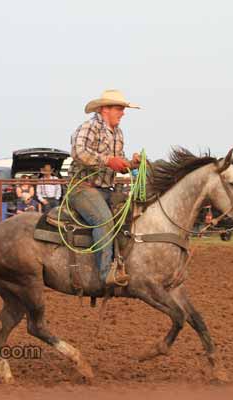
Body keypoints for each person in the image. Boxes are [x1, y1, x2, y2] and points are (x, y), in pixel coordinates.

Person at [68, 89, 141, 287]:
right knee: (104, 220)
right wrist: (108, 160)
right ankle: (105, 274)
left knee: (133, 215)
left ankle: (126, 263)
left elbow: (120, 164)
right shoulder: (89, 126)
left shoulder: (118, 133)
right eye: (119, 108)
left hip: (106, 190)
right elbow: (78, 152)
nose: (123, 113)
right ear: (104, 109)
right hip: (82, 188)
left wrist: (132, 164)